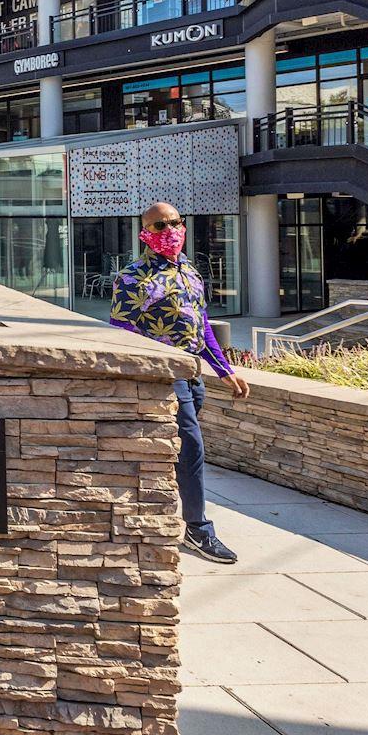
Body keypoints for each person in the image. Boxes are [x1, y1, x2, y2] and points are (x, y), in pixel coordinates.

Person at [108, 201, 246, 564]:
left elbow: (201, 327)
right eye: (159, 226)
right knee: (192, 449)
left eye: (175, 222)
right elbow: (120, 333)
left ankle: (167, 517)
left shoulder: (190, 272)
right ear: (144, 233)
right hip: (164, 379)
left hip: (193, 376)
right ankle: (199, 529)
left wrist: (225, 370)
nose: (169, 230)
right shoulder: (134, 277)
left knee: (178, 454)